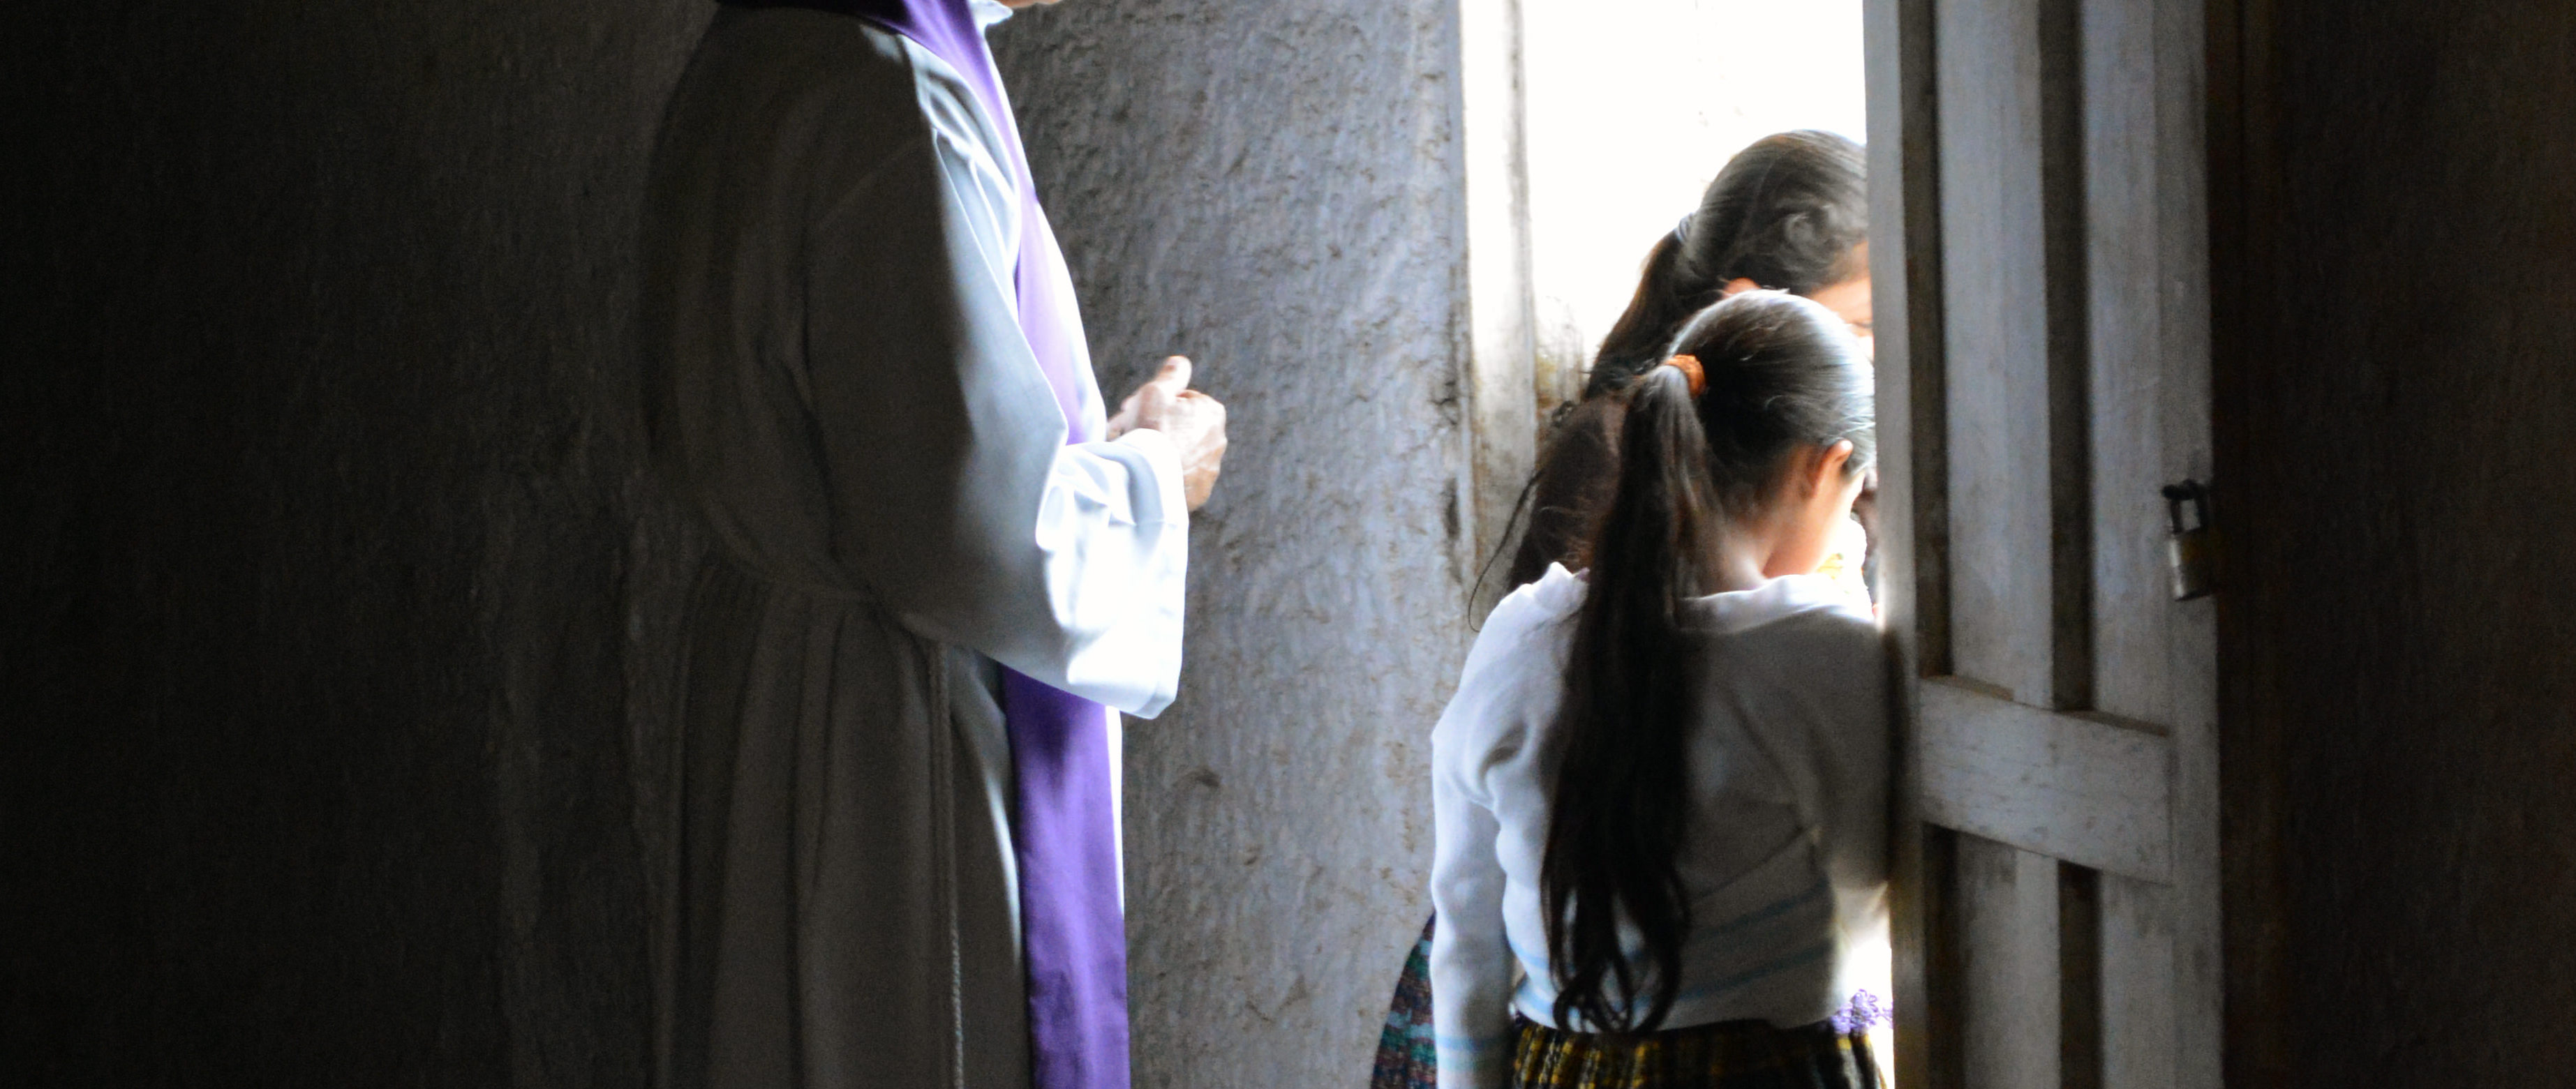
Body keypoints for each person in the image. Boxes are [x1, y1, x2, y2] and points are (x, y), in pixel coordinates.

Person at [639, 2, 1227, 1088]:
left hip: (774, 692)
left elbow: (903, 453)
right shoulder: (894, 98)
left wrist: (1071, 465)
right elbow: (967, 542)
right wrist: (1156, 470)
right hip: (885, 743)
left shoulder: (763, 44)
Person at [1374, 133, 1873, 1089]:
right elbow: (1866, 868)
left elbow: (1470, 906)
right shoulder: (1806, 644)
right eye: (1859, 326)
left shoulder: (1524, 635)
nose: (1873, 354)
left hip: (1561, 1029)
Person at [1506, 130, 1870, 589]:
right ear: (1756, 309)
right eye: (1864, 324)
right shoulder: (1621, 448)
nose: (1885, 351)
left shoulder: (1857, 439)